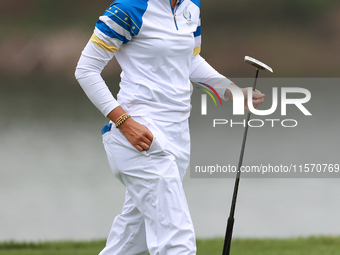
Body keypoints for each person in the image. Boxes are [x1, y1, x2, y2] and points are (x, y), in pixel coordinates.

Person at [75, 0, 265, 254]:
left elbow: (191, 61)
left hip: (177, 134)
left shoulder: (192, 6)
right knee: (177, 241)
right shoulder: (129, 8)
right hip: (139, 136)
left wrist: (232, 91)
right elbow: (86, 70)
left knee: (132, 241)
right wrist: (124, 121)